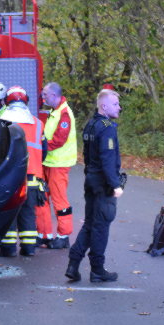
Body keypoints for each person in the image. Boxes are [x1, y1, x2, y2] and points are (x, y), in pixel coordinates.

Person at [65, 89, 123, 283]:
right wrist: (115, 185)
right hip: (102, 185)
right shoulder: (107, 127)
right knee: (101, 226)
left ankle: (73, 264)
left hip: (91, 180)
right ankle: (97, 269)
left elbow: (88, 157)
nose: (119, 107)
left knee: (90, 223)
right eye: (115, 104)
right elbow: (107, 159)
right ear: (104, 106)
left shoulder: (91, 125)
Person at [0, 86, 46, 257]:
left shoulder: (0, 121)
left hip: (9, 176)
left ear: (7, 101)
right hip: (33, 177)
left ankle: (8, 248)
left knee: (8, 212)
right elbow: (44, 150)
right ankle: (28, 248)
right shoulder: (38, 123)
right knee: (28, 212)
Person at [36, 82, 77, 249]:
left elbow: (59, 139)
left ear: (54, 95)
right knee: (42, 197)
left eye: (45, 94)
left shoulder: (64, 113)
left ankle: (63, 235)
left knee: (60, 200)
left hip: (58, 164)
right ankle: (44, 234)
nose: (42, 97)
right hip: (49, 162)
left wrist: (42, 149)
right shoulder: (55, 111)